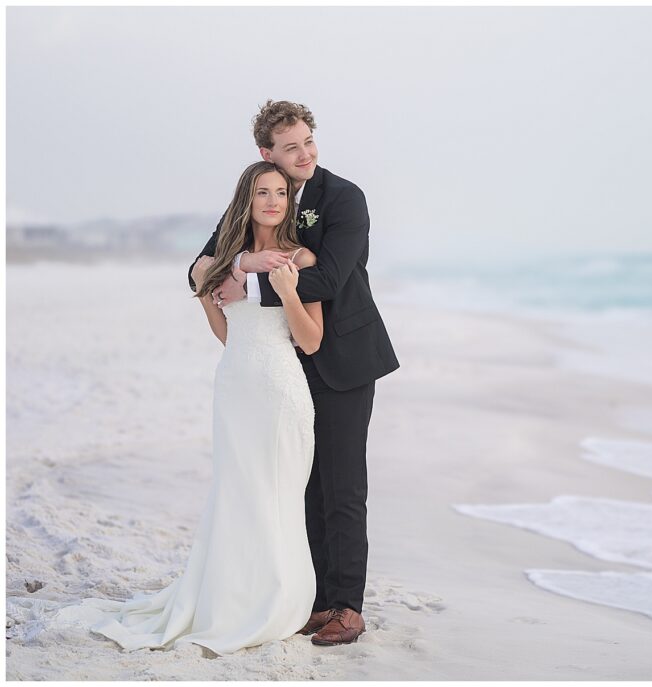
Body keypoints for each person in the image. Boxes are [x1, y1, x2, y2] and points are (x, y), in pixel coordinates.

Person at [56, 161, 322, 655]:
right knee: (236, 492)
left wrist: (285, 292)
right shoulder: (226, 259)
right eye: (262, 192)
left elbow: (311, 340)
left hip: (282, 390)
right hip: (236, 385)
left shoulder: (299, 257)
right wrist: (208, 296)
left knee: (279, 491)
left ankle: (281, 597)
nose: (272, 201)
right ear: (246, 198)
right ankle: (232, 595)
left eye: (282, 193)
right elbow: (228, 334)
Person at [189, 100, 399, 646]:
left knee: (344, 484)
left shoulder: (344, 198)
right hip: (284, 362)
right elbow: (205, 261)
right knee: (301, 482)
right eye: (290, 148)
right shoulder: (265, 195)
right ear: (267, 155)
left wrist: (247, 285)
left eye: (308, 141)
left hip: (346, 358)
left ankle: (347, 606)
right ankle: (316, 600)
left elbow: (328, 276)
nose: (304, 154)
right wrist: (229, 268)